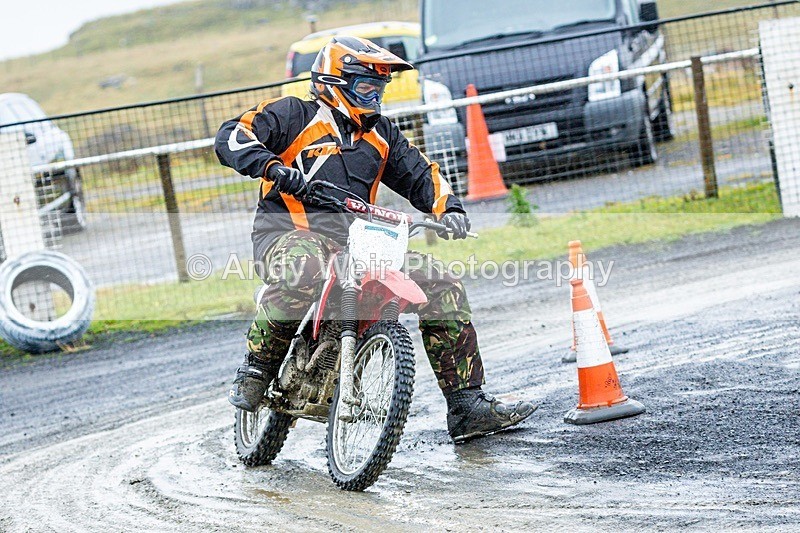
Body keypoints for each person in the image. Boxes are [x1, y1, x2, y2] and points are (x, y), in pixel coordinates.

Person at [215, 36, 536, 443]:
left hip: (358, 244)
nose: (375, 97)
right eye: (366, 87)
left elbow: (419, 173)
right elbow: (232, 136)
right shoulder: (293, 115)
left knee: (442, 281)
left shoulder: (381, 133)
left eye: (379, 89)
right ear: (335, 83)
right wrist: (273, 168)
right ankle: (257, 368)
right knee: (307, 265)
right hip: (286, 234)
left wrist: (449, 208)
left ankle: (466, 406)